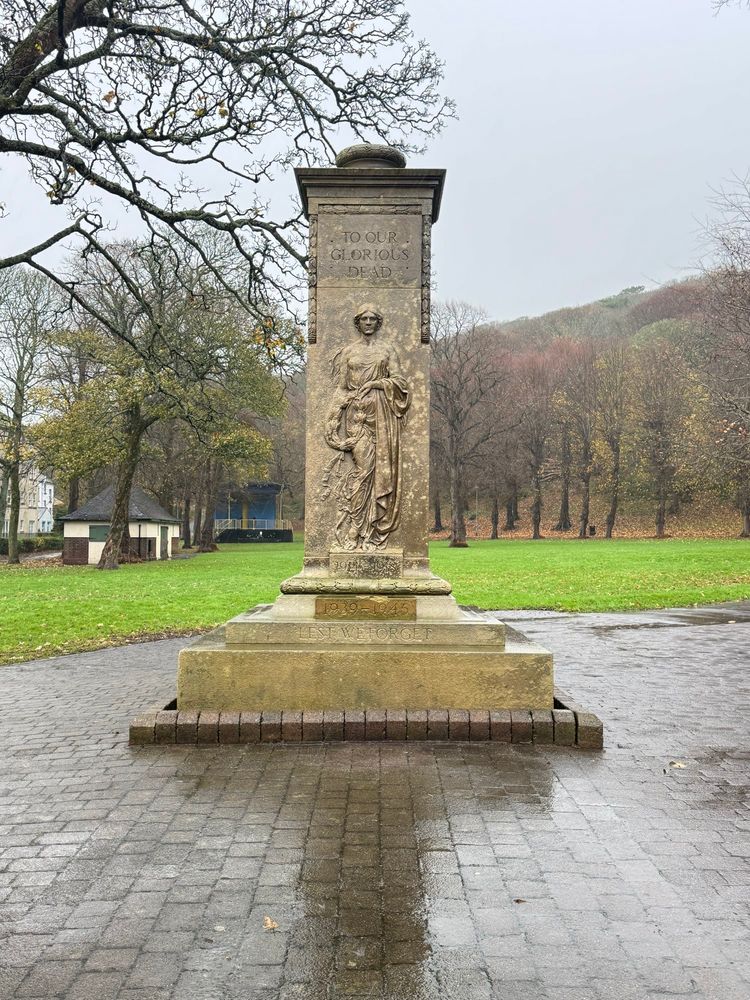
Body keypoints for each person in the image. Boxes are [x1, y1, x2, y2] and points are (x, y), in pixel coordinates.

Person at [322, 304, 410, 550]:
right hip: (357, 416)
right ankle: (355, 529)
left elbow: (400, 383)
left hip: (383, 416)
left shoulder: (387, 350)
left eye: (372, 318)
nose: (368, 322)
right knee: (364, 472)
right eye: (364, 318)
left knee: (382, 472)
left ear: (378, 322)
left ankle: (371, 530)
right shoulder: (349, 352)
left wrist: (377, 384)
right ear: (358, 322)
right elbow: (342, 389)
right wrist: (332, 421)